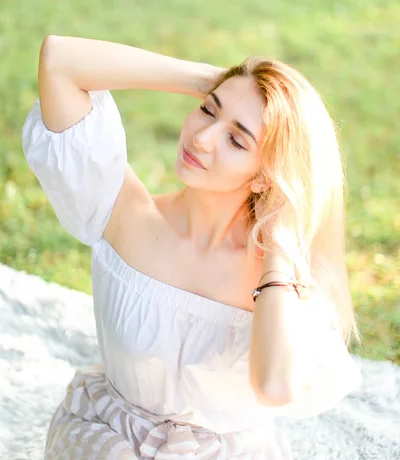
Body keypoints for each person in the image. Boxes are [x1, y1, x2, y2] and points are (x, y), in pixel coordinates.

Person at [22, 35, 363, 459]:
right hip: (107, 437)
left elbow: (275, 387)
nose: (202, 138)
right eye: (207, 110)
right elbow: (61, 60)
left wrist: (278, 247)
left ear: (265, 177)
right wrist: (217, 79)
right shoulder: (127, 212)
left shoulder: (284, 282)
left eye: (237, 140)